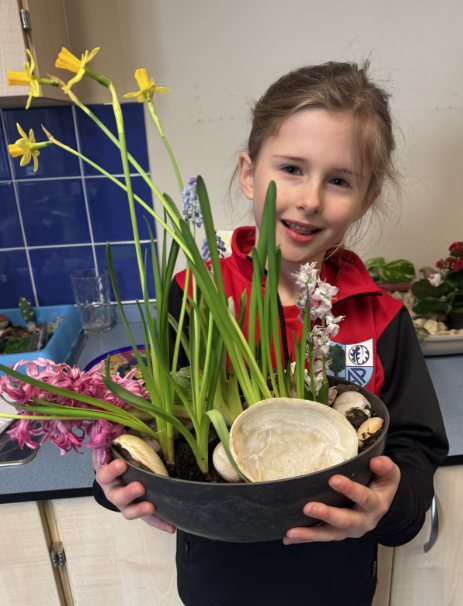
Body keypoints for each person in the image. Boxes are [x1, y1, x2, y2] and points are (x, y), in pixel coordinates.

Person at [93, 61, 449, 606]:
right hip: (217, 583)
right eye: (291, 169)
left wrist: (391, 506)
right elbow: (148, 420)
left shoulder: (379, 316)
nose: (310, 199)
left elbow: (416, 450)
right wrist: (115, 481)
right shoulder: (196, 296)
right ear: (249, 172)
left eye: (339, 180)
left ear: (367, 196)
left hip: (339, 584)